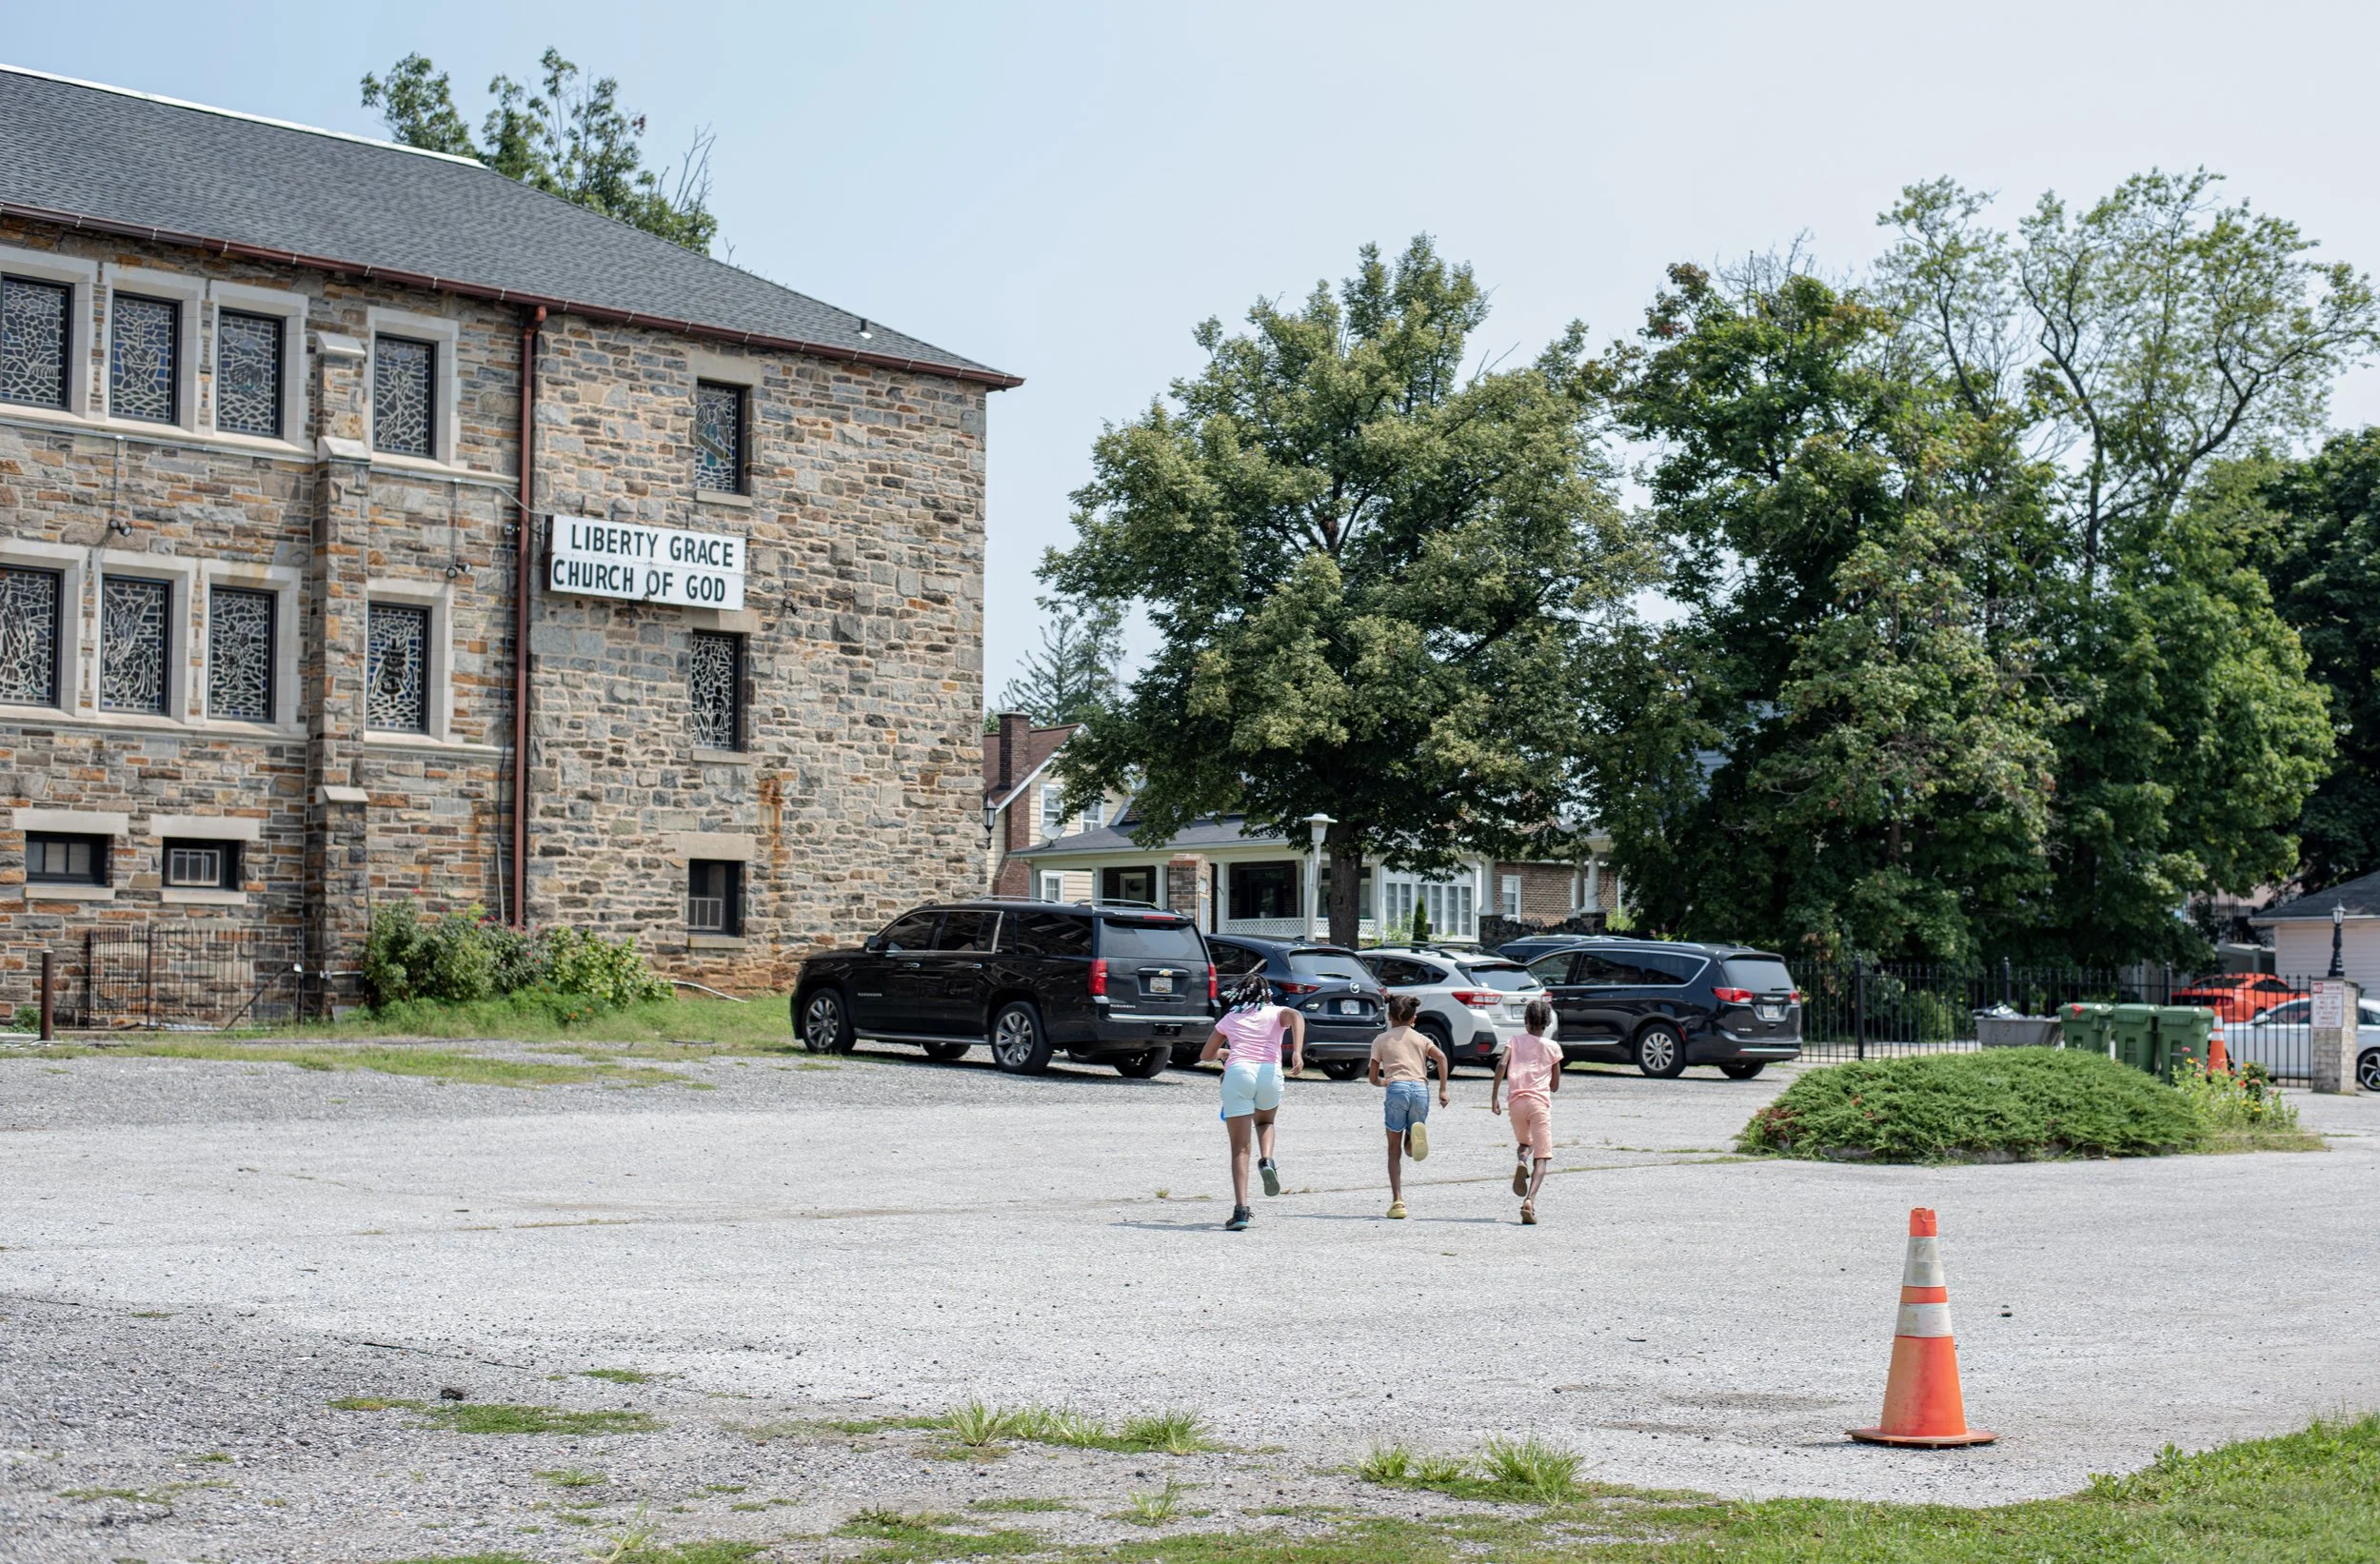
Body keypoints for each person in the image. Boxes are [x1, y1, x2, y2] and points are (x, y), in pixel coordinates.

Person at [1198, 972, 1305, 1231]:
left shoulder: (1231, 1018)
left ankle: (1241, 1210)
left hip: (1238, 1072)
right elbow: (1297, 1016)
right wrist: (1297, 1051)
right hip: (1270, 1072)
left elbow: (1206, 1054)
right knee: (1266, 1121)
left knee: (1240, 1149)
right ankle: (1267, 1159)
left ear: (1240, 994)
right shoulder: (1277, 1013)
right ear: (1268, 994)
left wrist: (1227, 1052)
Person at [1367, 994, 1448, 1218]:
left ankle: (1398, 1201)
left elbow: (1373, 1078)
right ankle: (1413, 1140)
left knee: (1393, 1151)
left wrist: (1384, 1082)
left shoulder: (1381, 1039)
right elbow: (1441, 1057)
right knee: (1412, 1131)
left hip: (1397, 1089)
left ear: (1389, 1016)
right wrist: (1443, 1089)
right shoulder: (1421, 1039)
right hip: (1420, 1089)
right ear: (1414, 1018)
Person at [1491, 996, 1561, 1224]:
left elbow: (1501, 1064)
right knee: (1542, 1156)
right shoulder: (1552, 1047)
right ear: (1547, 1022)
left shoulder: (1514, 1040)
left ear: (1525, 1021)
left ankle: (1522, 1160)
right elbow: (1555, 1086)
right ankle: (1529, 1201)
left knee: (1525, 1144)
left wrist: (1494, 1097)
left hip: (1516, 1103)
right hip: (1539, 1104)